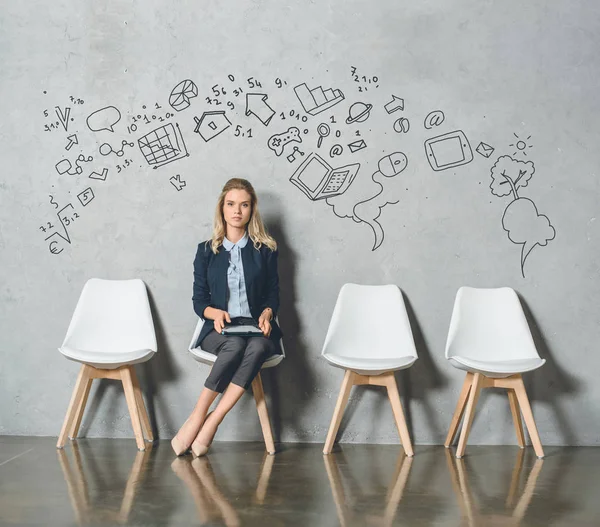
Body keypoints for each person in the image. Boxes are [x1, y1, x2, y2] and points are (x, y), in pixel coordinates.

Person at [171, 178, 282, 457]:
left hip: (257, 329)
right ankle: (198, 416)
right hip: (220, 330)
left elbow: (273, 295)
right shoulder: (206, 251)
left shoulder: (265, 250)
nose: (237, 211)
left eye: (244, 205)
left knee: (254, 346)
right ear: (222, 208)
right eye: (231, 204)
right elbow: (199, 301)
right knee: (234, 346)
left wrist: (268, 313)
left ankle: (214, 420)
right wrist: (214, 313)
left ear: (252, 209)